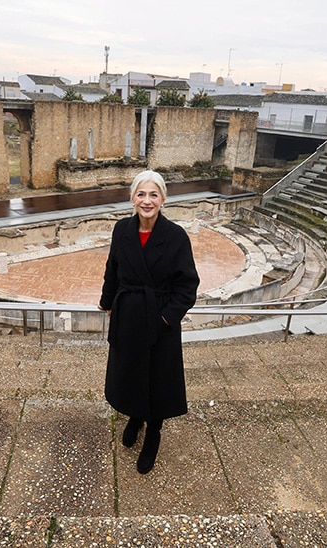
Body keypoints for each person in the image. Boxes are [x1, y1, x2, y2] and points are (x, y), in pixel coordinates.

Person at [98, 170, 200, 474]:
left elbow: (188, 285)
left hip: (159, 319)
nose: (147, 200)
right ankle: (135, 415)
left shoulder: (176, 236)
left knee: (157, 377)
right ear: (132, 198)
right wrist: (108, 302)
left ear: (163, 199)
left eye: (153, 194)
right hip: (128, 315)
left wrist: (166, 317)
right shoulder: (121, 230)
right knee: (130, 371)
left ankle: (153, 431)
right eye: (141, 194)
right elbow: (112, 269)